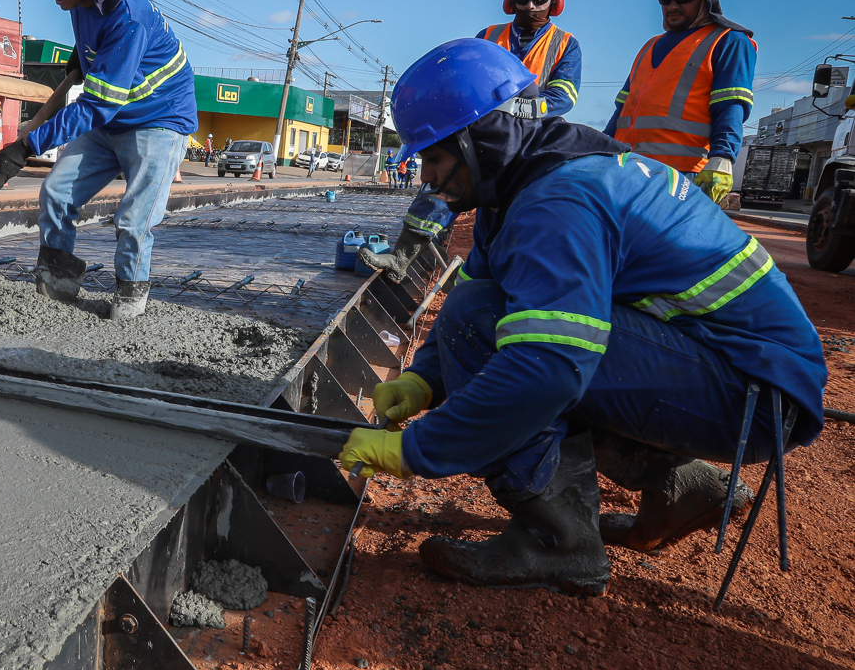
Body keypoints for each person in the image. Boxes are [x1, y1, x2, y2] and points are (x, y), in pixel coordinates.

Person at [337, 38, 825, 594]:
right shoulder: (532, 175)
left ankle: (558, 544)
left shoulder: (558, 202)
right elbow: (477, 282)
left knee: (523, 339)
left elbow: (547, 366)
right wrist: (426, 378)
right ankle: (679, 482)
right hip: (733, 373)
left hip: (750, 398)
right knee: (496, 311)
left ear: (482, 141)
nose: (426, 177)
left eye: (435, 157)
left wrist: (417, 452)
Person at [0, 0, 197, 320]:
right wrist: (81, 58)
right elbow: (97, 56)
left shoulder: (129, 16)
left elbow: (97, 104)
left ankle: (129, 304)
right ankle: (59, 281)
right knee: (57, 192)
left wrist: (27, 144)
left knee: (134, 219)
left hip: (160, 120)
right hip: (113, 115)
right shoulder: (81, 0)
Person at [361, 0, 582, 282]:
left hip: (527, 140)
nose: (530, 6)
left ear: (556, 2)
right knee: (442, 181)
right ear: (511, 0)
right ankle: (403, 257)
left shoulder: (566, 44)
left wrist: (516, 109)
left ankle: (500, 280)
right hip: (479, 131)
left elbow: (564, 97)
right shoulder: (489, 36)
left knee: (514, 211)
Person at [607, 0, 755, 204]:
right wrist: (600, 149)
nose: (672, 6)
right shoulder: (649, 46)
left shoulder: (729, 40)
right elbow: (621, 112)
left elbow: (731, 105)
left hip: (680, 176)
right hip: (626, 169)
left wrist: (722, 158)